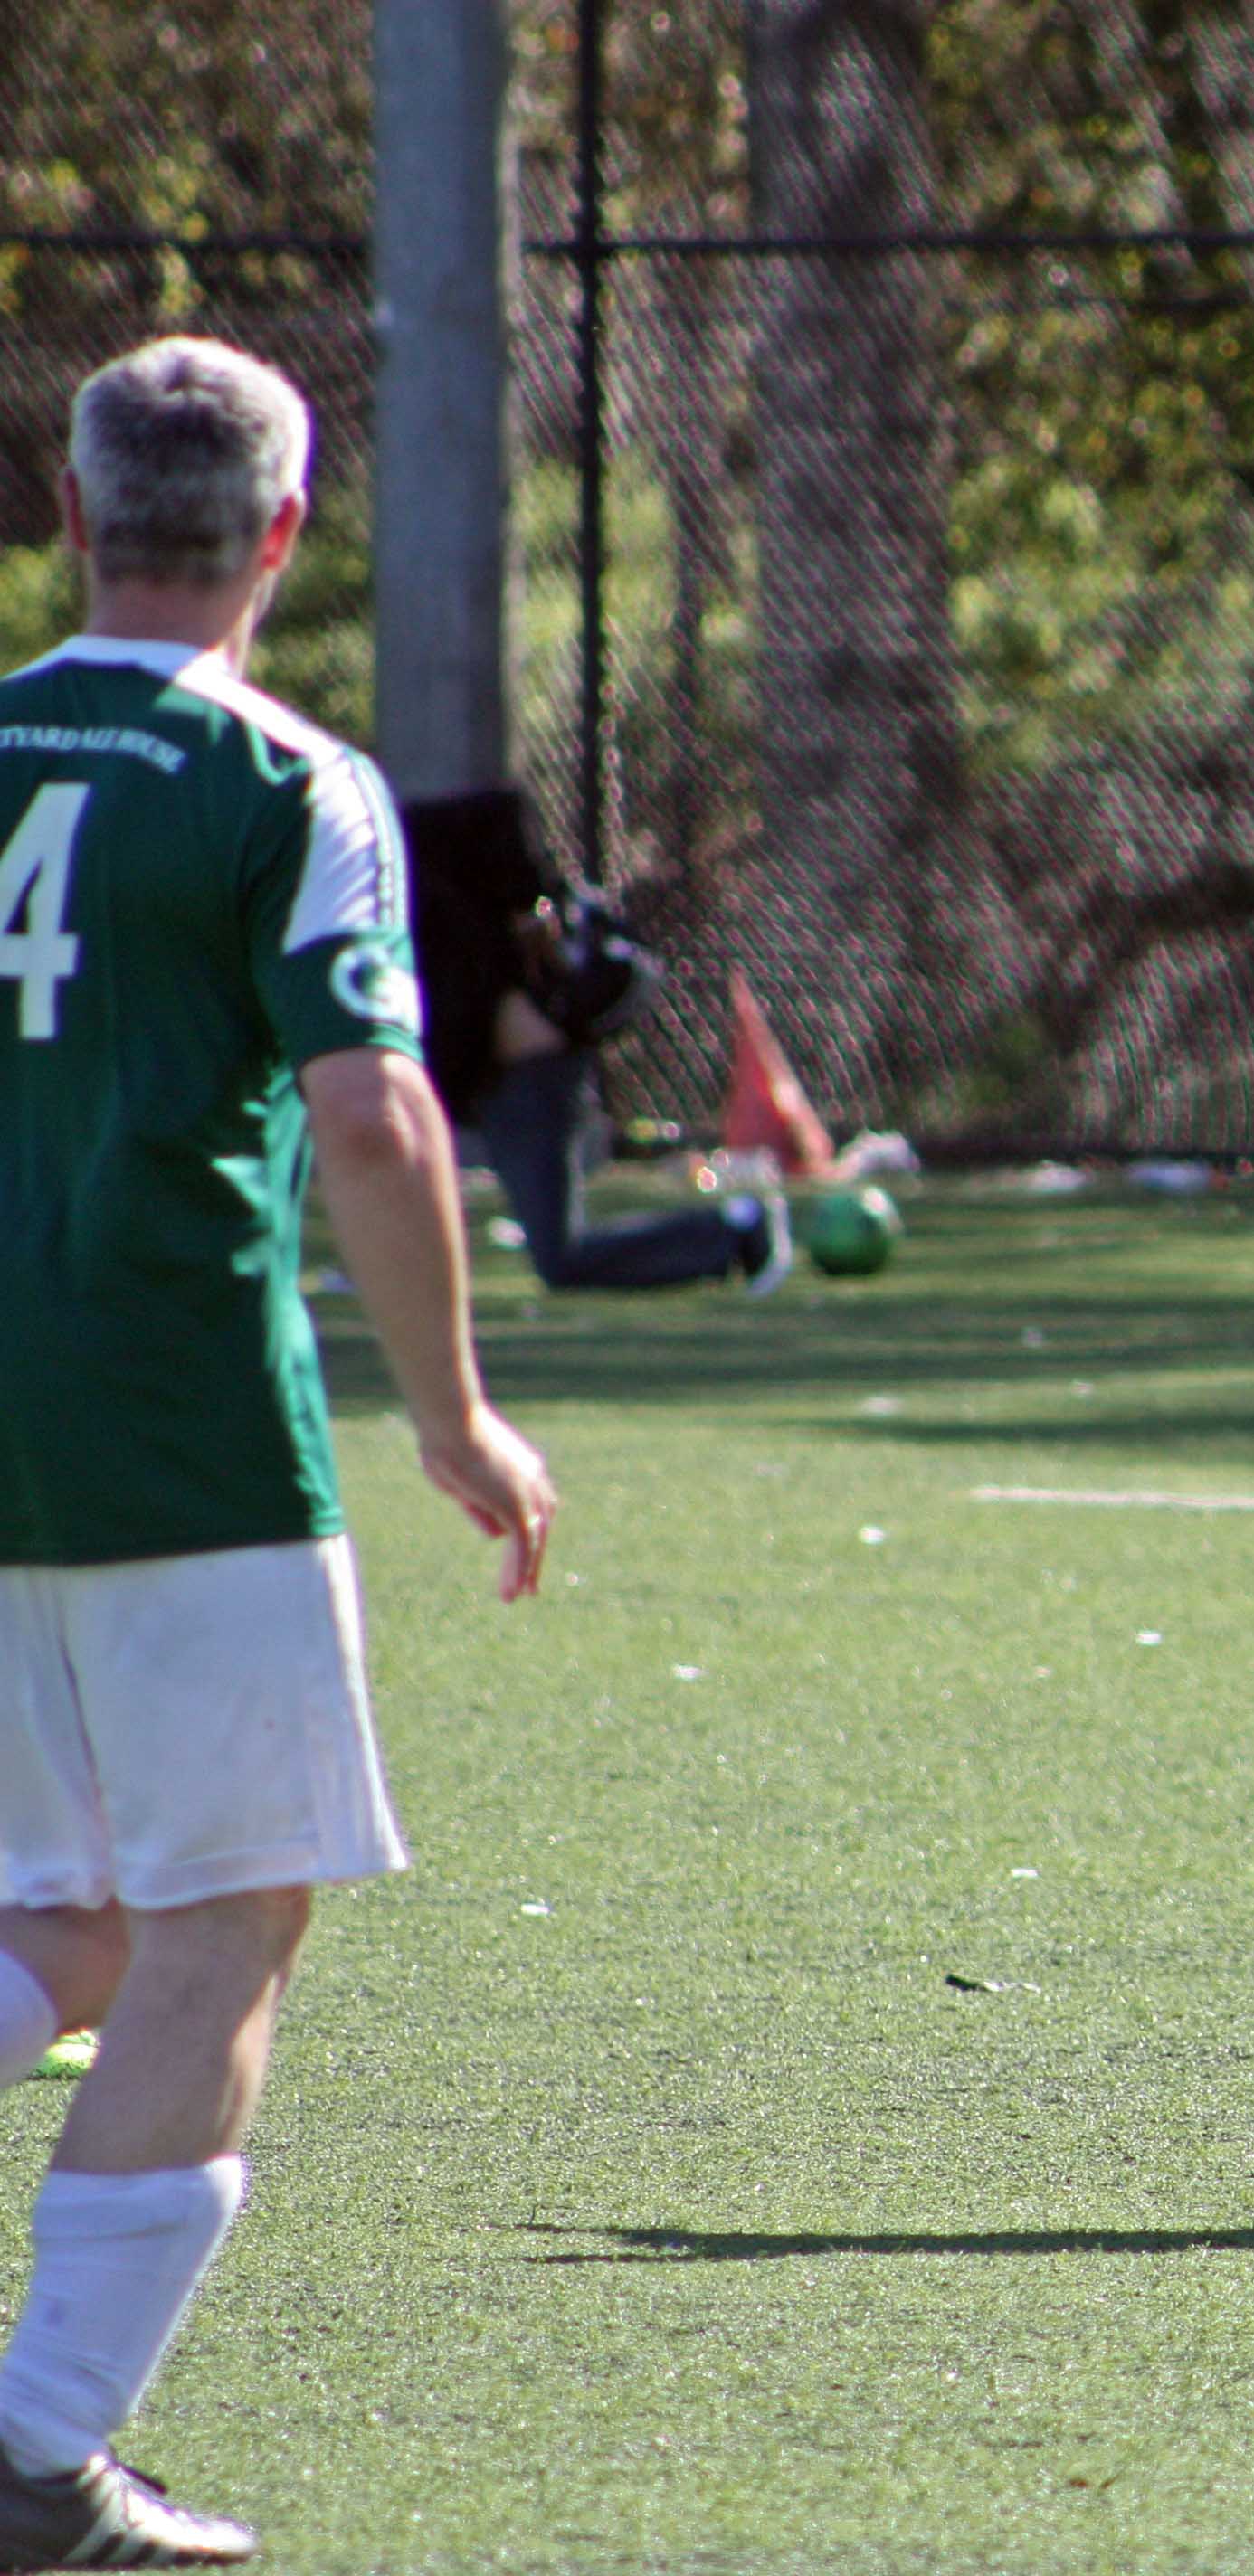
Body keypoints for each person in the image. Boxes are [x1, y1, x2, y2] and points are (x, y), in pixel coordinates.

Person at [0, 338, 556, 2566]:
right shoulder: (288, 780)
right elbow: (376, 1109)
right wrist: (457, 1410)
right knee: (223, 1919)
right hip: (181, 1440)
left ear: (71, 512)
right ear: (287, 534)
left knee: (70, 1912)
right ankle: (36, 2452)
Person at [405, 783, 787, 1293]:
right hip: (478, 1073)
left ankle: (736, 1230)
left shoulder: (398, 842)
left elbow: (504, 810)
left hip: (527, 1071)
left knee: (562, 1259)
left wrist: (530, 905)